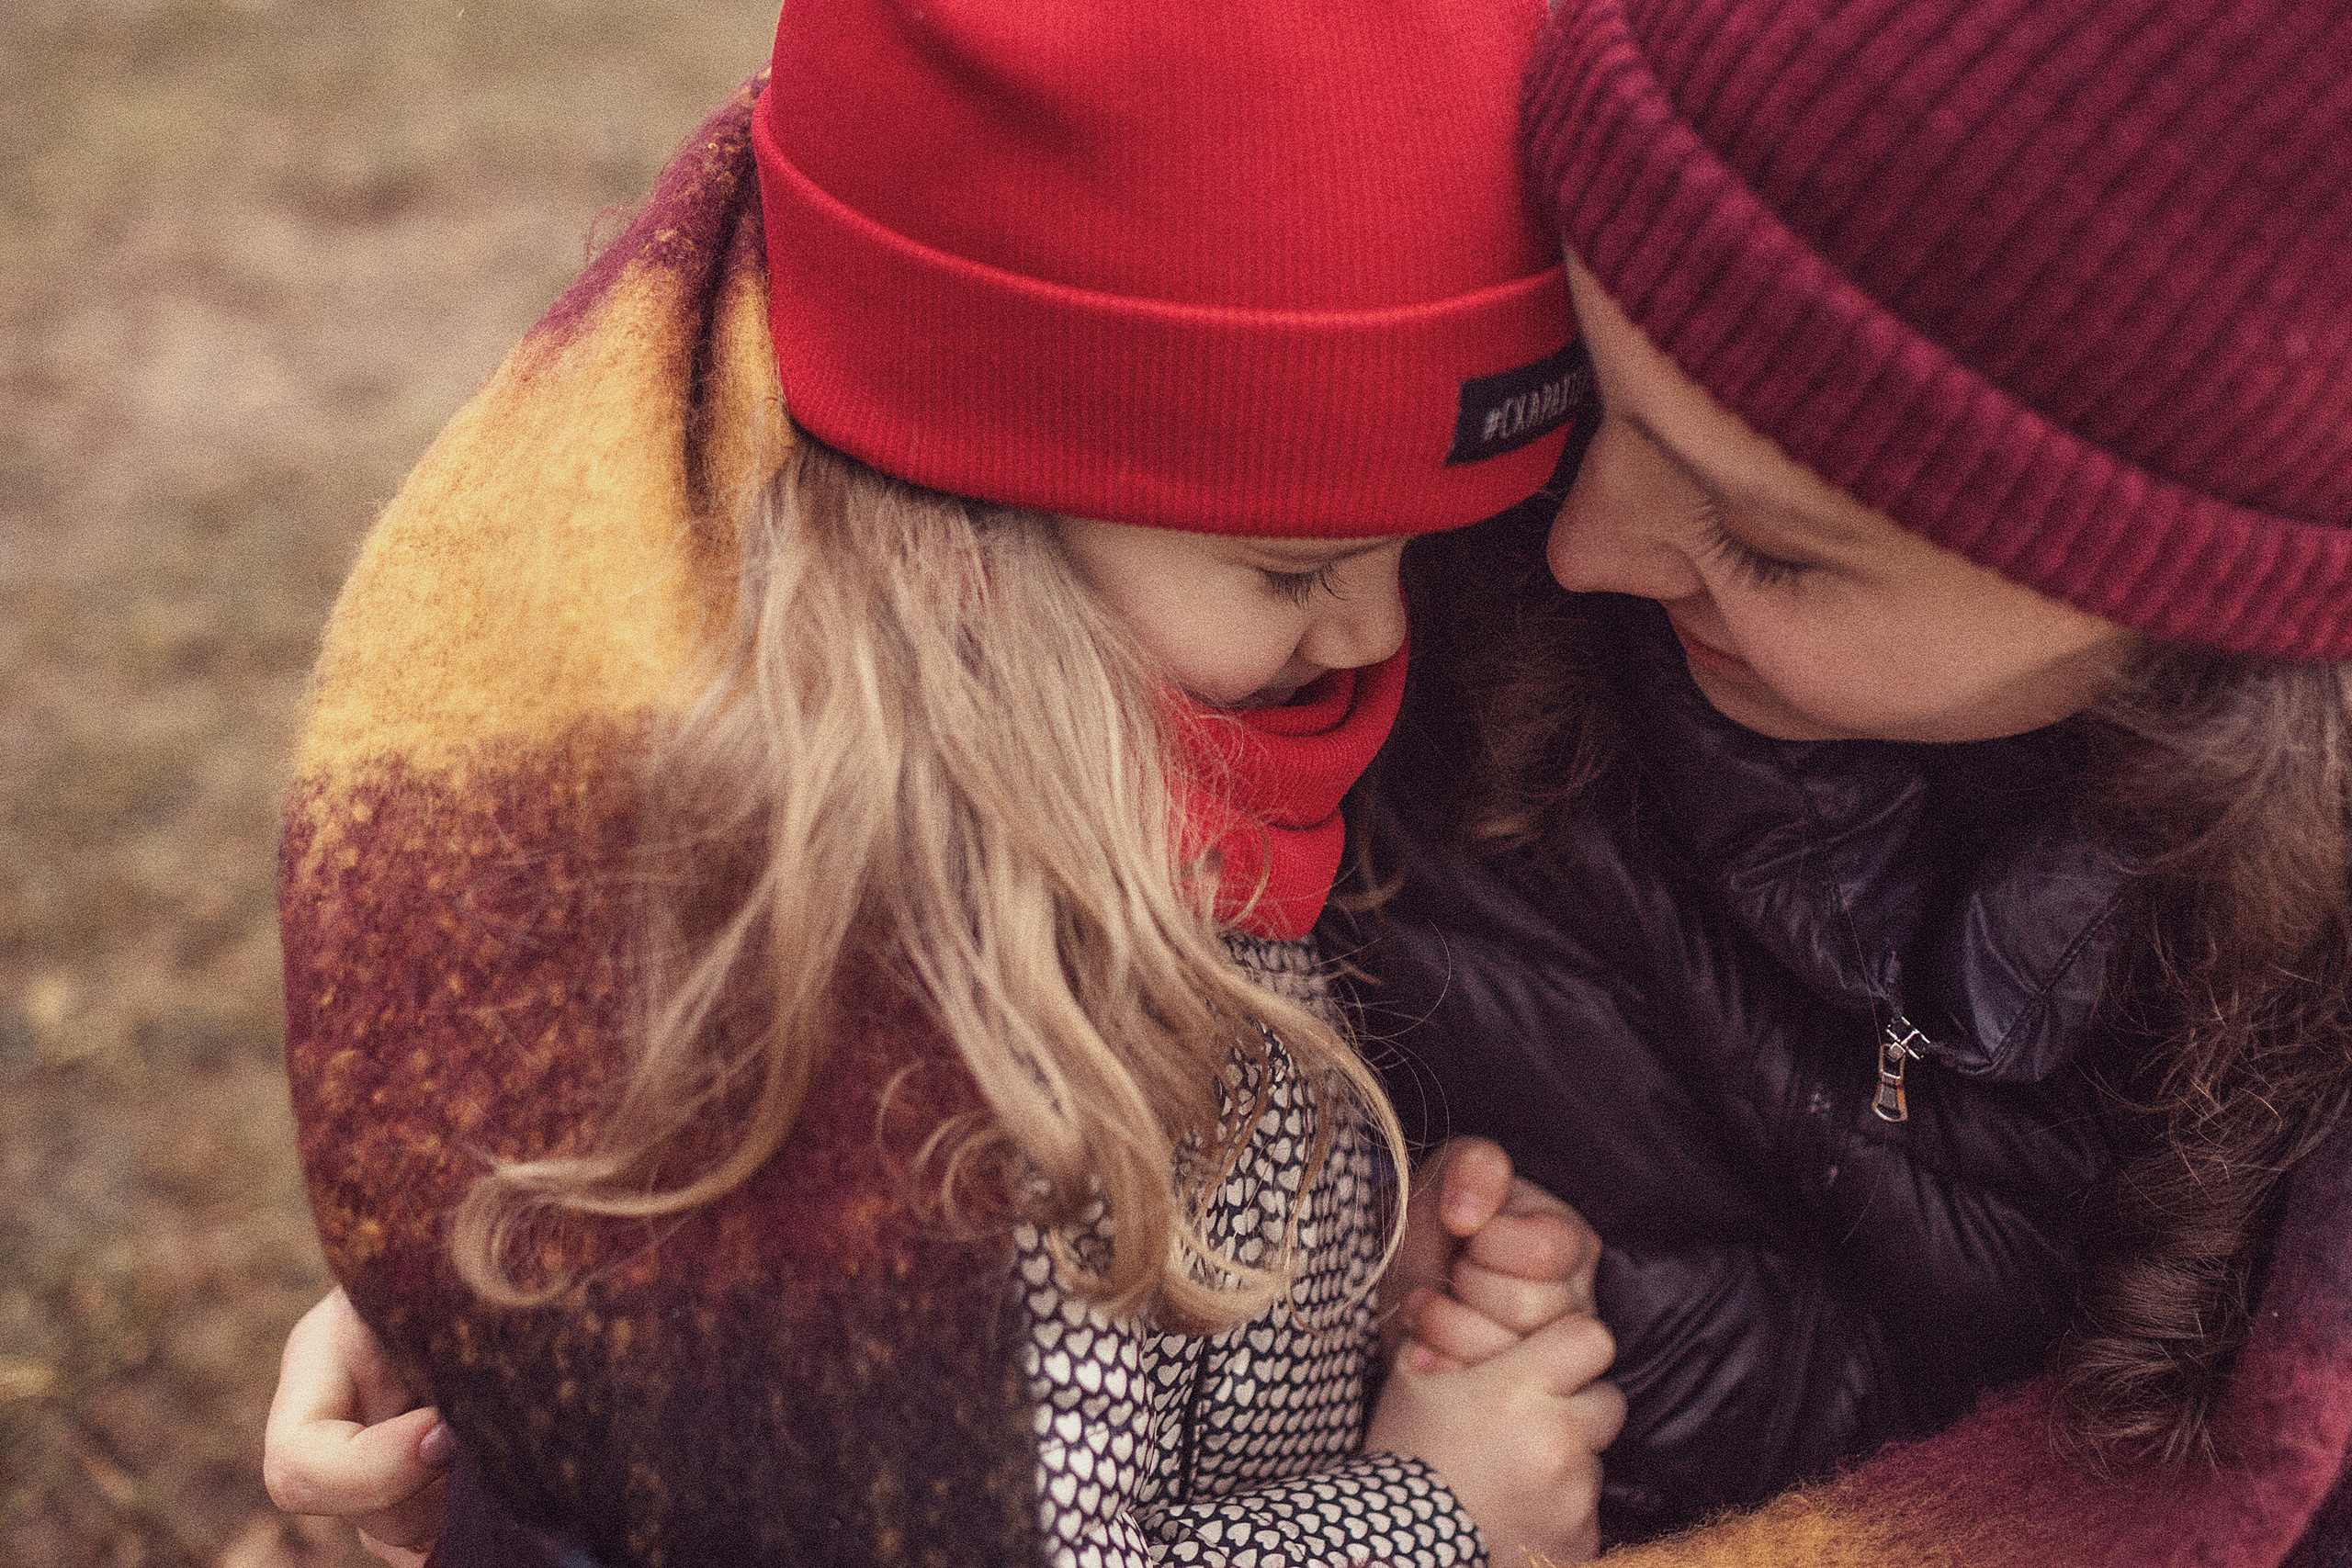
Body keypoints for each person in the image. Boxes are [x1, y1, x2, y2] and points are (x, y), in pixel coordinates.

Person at [268, 2, 1628, 1565]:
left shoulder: (1102, 764)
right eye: (1298, 566)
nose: (1376, 631)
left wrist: (1345, 1276)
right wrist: (1433, 1518)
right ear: (978, 522)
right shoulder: (944, 1038)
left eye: (1414, 553)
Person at [1357, 0, 2352, 1559]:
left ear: (2199, 619)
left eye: (1767, 543)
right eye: (1588, 392)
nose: (1583, 547)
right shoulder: (1416, 596)